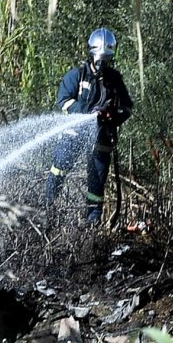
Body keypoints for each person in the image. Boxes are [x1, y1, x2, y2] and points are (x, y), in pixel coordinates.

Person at [43, 27, 133, 224]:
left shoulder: (115, 80)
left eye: (107, 59)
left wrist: (112, 116)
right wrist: (88, 112)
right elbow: (64, 102)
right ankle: (47, 211)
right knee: (59, 170)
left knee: (97, 183)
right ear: (92, 54)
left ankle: (92, 222)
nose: (103, 63)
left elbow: (127, 107)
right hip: (74, 134)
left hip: (102, 137)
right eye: (100, 58)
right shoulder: (78, 75)